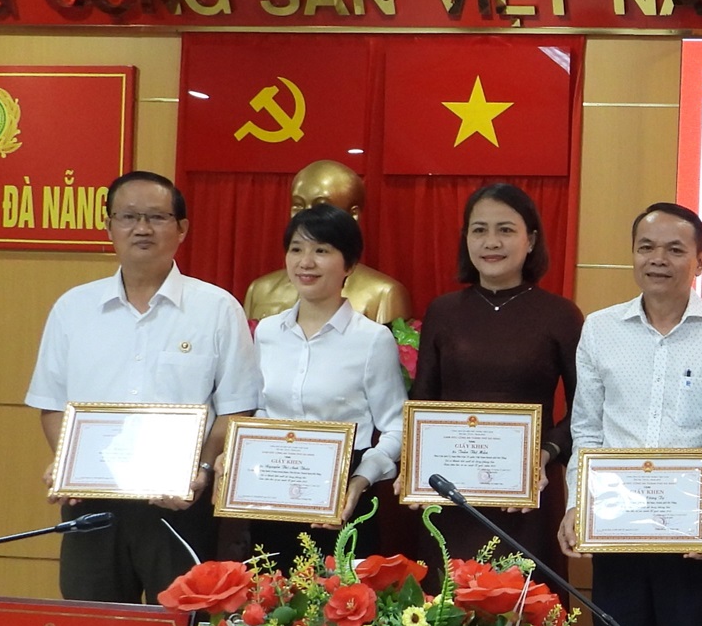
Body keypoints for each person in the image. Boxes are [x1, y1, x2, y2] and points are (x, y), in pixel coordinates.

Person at [26, 170, 263, 603]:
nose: (141, 228)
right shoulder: (73, 308)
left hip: (178, 504)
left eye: (156, 217)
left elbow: (236, 407)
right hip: (91, 505)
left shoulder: (216, 309)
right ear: (108, 226)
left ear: (181, 228)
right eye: (128, 216)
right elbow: (51, 403)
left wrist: (201, 469)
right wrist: (68, 465)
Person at [559, 203, 702, 626]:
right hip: (617, 534)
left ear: (701, 260)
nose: (658, 259)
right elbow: (586, 430)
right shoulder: (601, 329)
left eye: (675, 250)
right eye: (646, 248)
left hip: (695, 538)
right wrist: (577, 504)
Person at [408, 183, 582, 565]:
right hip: (451, 496)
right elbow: (422, 402)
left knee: (524, 598)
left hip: (526, 496)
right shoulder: (443, 311)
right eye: (479, 230)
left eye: (505, 230)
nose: (491, 242)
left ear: (530, 240)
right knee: (444, 598)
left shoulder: (560, 315)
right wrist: (416, 469)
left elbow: (583, 413)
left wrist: (545, 454)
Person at [247, 204, 407, 563]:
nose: (306, 262)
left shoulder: (372, 339)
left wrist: (360, 480)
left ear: (349, 265)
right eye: (296, 249)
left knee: (338, 595)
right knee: (271, 592)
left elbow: (396, 426)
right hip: (272, 490)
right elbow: (260, 408)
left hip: (343, 496)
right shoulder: (268, 332)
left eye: (321, 250)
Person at [242, 160, 413, 324]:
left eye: (321, 206)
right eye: (298, 206)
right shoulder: (260, 290)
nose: (308, 217)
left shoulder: (383, 294)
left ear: (353, 215)